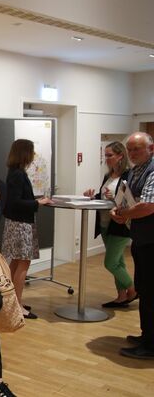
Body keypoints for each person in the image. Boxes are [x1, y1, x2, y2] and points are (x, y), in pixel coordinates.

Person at [111, 132, 154, 360]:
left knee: (150, 291)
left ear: (151, 149)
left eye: (137, 149)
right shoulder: (136, 170)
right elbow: (127, 198)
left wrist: (124, 213)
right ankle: (147, 335)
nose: (132, 153)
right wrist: (117, 210)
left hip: (151, 241)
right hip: (141, 238)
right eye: (130, 149)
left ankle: (150, 344)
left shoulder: (153, 170)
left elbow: (148, 206)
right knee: (145, 289)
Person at [2, 139, 53, 319]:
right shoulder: (18, 175)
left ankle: (13, 302)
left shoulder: (14, 172)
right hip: (20, 225)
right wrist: (37, 202)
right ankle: (16, 306)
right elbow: (15, 202)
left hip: (16, 224)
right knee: (23, 263)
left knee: (16, 263)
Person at [83, 142, 135, 307]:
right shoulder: (108, 176)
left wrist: (113, 198)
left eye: (109, 155)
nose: (106, 159)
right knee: (118, 261)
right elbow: (104, 196)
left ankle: (133, 290)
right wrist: (94, 196)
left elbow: (130, 201)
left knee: (110, 263)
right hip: (105, 224)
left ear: (120, 156)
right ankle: (121, 296)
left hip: (120, 224)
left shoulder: (129, 175)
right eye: (105, 155)